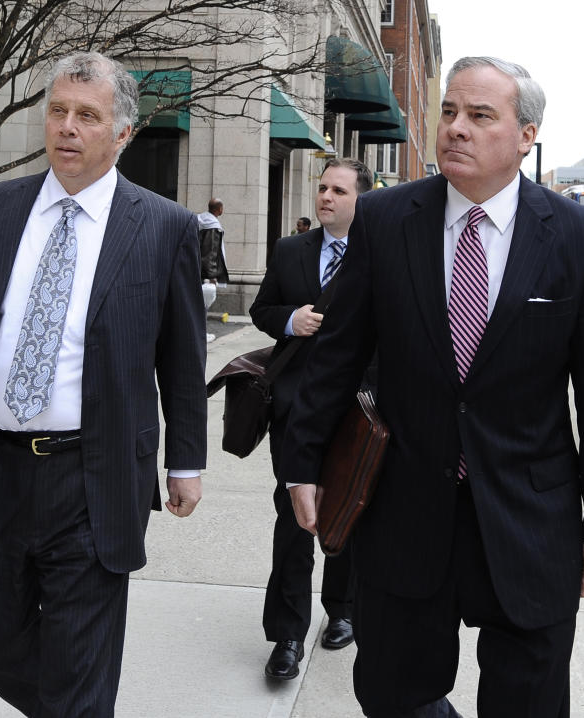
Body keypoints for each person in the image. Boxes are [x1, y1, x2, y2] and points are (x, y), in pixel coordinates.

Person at [281, 56, 584, 718]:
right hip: (405, 515)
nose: (456, 128)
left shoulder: (578, 239)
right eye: (449, 112)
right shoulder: (386, 221)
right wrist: (300, 462)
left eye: (480, 116)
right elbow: (337, 356)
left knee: (529, 701)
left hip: (531, 522)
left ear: (526, 134)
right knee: (393, 693)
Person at [0, 52, 207, 717]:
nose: (67, 128)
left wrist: (185, 460)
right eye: (58, 112)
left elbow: (182, 360)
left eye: (87, 116)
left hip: (93, 474)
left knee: (80, 660)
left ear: (122, 134)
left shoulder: (164, 227)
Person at [249, 157, 373, 680]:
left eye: (338, 191)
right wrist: (290, 320)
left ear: (359, 200)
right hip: (294, 408)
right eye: (322, 188)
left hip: (354, 412)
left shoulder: (379, 254)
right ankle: (287, 634)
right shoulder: (288, 250)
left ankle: (342, 611)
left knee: (345, 512)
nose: (325, 197)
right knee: (292, 517)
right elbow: (260, 310)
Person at [197, 197, 229, 284]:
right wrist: (211, 276)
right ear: (220, 209)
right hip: (206, 277)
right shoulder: (213, 227)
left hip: (198, 271)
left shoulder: (201, 219)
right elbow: (210, 253)